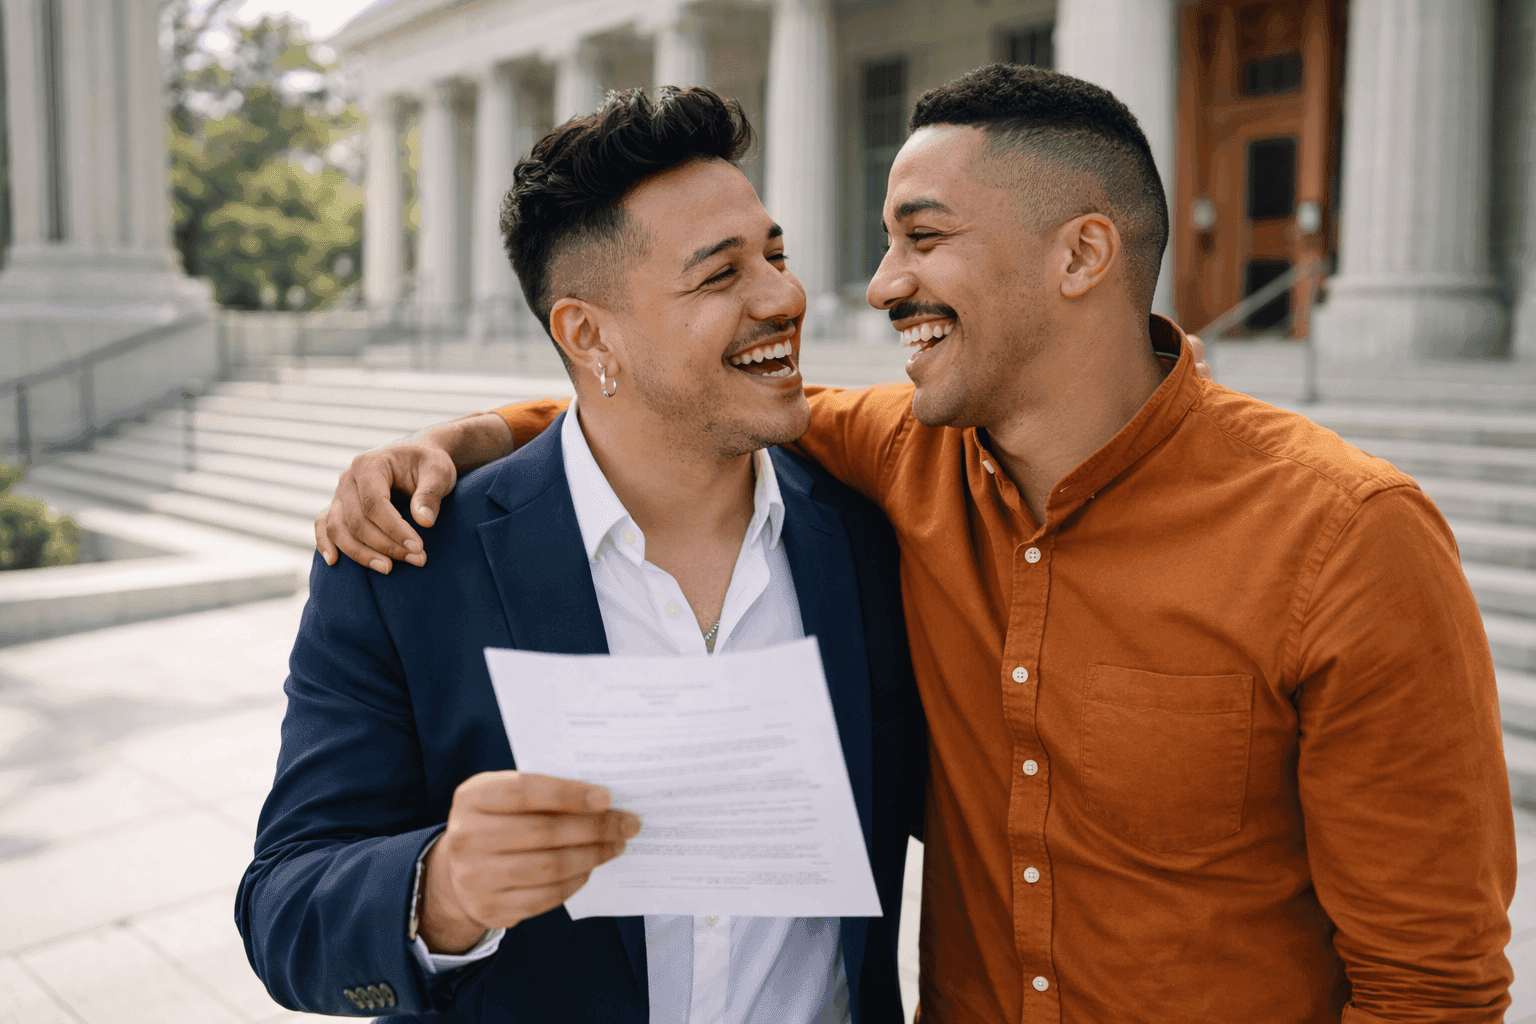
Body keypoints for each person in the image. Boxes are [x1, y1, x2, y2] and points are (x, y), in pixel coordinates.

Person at [317, 65, 1518, 1023]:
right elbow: (661, 410)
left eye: (922, 238)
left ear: (1082, 256)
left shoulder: (1348, 539)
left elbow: (1433, 985)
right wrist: (462, 438)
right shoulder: (901, 458)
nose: (872, 285)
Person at [237, 87, 925, 1024]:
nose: (784, 297)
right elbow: (284, 908)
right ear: (585, 332)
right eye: (720, 275)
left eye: (775, 253)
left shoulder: (870, 539)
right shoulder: (403, 567)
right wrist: (442, 890)